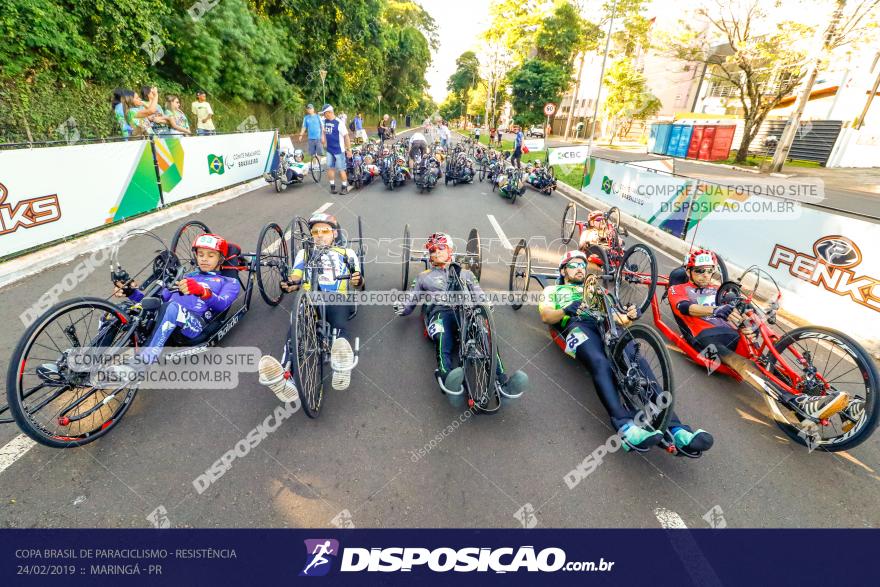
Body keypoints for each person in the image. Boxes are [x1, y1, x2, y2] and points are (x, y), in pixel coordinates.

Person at [539, 251, 714, 454]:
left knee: (640, 364)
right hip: (577, 326)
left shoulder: (597, 291)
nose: (580, 268)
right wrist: (567, 309)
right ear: (563, 270)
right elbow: (546, 316)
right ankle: (625, 425)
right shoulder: (553, 289)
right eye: (573, 265)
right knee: (599, 362)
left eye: (582, 265)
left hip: (607, 323)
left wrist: (630, 315)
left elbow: (620, 320)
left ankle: (677, 429)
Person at [668, 249, 850, 421]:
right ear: (688, 271)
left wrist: (748, 323)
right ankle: (796, 403)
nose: (706, 275)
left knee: (766, 365)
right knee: (743, 363)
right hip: (706, 338)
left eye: (710, 271)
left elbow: (737, 309)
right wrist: (716, 309)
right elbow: (685, 307)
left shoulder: (718, 289)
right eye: (700, 271)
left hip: (731, 333)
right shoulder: (679, 289)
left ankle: (835, 403)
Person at [394, 232, 529, 401]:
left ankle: (503, 381)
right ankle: (447, 377)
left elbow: (478, 294)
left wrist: (485, 305)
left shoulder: (466, 274)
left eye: (440, 248)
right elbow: (410, 301)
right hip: (440, 312)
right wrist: (402, 307)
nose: (436, 252)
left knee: (487, 334)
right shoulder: (423, 277)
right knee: (442, 337)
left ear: (450, 249)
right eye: (432, 250)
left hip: (467, 310)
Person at [259, 213, 363, 396]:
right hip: (309, 298)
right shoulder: (304, 253)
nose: (319, 235)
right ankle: (283, 377)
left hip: (337, 297)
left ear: (335, 234)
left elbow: (360, 284)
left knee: (338, 321)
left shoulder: (348, 253)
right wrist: (289, 283)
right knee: (296, 329)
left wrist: (357, 280)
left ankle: (341, 361)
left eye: (325, 231)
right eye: (315, 232)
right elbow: (296, 276)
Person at [114, 234, 240, 365]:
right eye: (201, 254)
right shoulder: (187, 276)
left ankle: (144, 362)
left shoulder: (229, 281)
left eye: (210, 255)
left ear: (221, 258)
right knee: (122, 309)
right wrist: (131, 292)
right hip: (167, 319)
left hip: (195, 326)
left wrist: (201, 291)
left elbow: (223, 304)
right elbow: (156, 300)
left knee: (172, 308)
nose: (204, 259)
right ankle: (94, 358)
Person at [320, 104, 352, 194]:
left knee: (341, 169)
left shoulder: (339, 123)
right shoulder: (324, 121)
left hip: (339, 150)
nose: (324, 115)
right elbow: (323, 131)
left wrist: (348, 150)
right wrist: (323, 139)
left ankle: (344, 187)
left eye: (325, 113)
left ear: (330, 112)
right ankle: (332, 187)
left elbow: (346, 136)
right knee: (330, 168)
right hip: (329, 150)